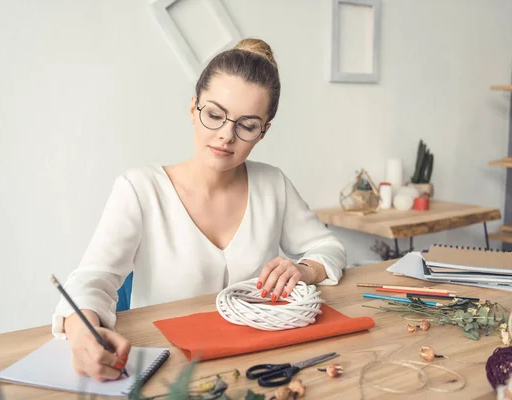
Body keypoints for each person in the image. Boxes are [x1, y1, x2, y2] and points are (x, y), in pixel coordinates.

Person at [52, 38, 347, 382]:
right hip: (171, 375)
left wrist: (302, 269)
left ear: (263, 131)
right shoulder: (140, 189)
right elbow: (92, 278)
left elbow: (329, 249)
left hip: (258, 368)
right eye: (214, 115)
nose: (226, 136)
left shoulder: (273, 184)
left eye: (247, 125)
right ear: (193, 108)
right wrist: (81, 331)